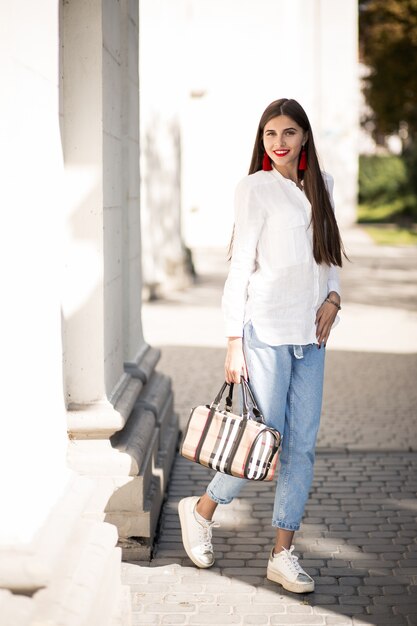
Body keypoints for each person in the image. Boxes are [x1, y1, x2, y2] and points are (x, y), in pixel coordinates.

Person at [178, 98, 346, 594]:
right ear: (263, 140)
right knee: (261, 442)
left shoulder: (324, 187)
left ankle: (282, 553)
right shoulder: (254, 189)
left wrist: (335, 296)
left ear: (304, 138)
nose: (279, 143)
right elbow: (241, 266)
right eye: (270, 134)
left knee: (302, 448)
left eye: (288, 133)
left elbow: (328, 255)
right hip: (265, 333)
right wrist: (234, 341)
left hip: (310, 339)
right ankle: (203, 509)